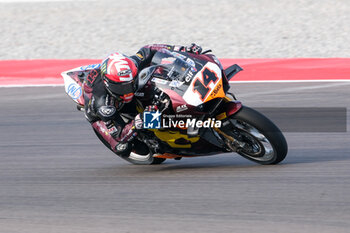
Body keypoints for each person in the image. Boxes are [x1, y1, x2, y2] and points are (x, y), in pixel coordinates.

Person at [83, 43, 203, 156]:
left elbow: (149, 49)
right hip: (102, 115)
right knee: (122, 148)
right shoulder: (103, 105)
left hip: (121, 90)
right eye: (123, 87)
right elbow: (120, 136)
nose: (128, 90)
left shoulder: (132, 64)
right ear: (109, 84)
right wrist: (139, 120)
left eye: (131, 83)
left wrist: (182, 49)